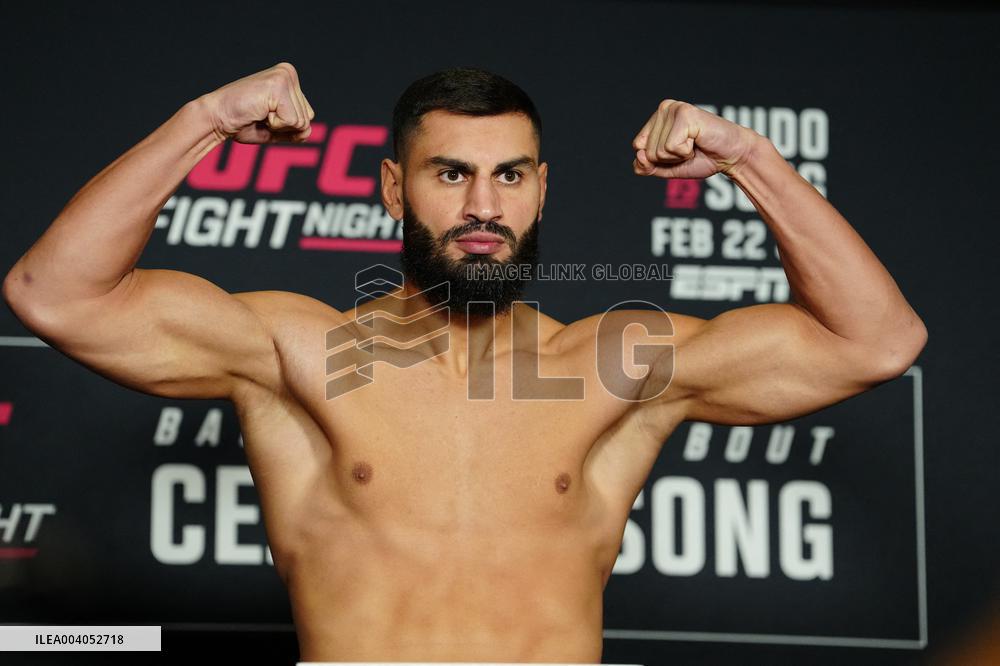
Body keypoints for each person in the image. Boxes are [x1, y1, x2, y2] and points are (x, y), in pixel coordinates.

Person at [1, 62, 927, 663]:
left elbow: (876, 341)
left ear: (541, 189)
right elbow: (59, 295)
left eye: (510, 175)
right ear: (395, 186)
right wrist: (205, 120)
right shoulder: (303, 350)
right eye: (452, 174)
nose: (484, 205)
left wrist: (749, 157)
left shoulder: (616, 361)